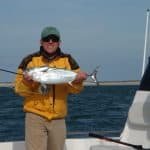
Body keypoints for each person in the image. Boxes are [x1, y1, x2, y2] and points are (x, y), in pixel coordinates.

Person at [14, 26, 87, 150]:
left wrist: (78, 81)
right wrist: (26, 82)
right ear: (41, 42)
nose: (50, 42)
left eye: (54, 39)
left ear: (59, 42)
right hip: (35, 117)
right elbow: (19, 90)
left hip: (58, 118)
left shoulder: (68, 60)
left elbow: (75, 90)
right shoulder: (29, 61)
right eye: (47, 39)